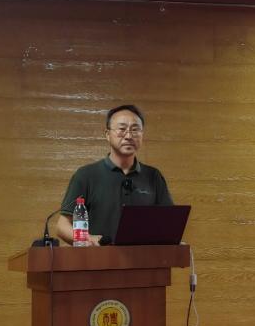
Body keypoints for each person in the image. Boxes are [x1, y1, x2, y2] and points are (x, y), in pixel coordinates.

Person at [54, 104, 173, 245]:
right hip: (99, 256)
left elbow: (169, 223)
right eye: (122, 129)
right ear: (107, 134)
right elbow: (63, 226)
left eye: (135, 129)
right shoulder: (86, 175)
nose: (128, 136)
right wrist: (88, 239)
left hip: (143, 257)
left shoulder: (153, 176)